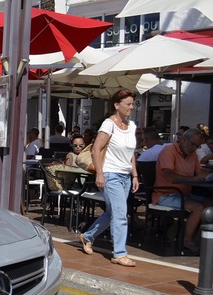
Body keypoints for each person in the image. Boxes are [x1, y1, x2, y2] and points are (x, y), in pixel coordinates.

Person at [79, 89, 139, 267]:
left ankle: (87, 236)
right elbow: (96, 149)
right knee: (121, 215)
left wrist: (134, 174)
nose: (131, 107)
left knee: (112, 213)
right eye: (128, 104)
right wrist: (100, 173)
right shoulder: (108, 124)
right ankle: (119, 254)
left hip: (125, 176)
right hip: (111, 174)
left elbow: (131, 153)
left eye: (132, 104)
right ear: (117, 105)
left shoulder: (132, 126)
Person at [153, 128, 213, 254]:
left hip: (184, 194)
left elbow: (199, 173)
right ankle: (187, 240)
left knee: (210, 205)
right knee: (198, 207)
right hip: (165, 194)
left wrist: (207, 176)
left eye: (197, 146)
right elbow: (169, 175)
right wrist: (193, 178)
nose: (194, 148)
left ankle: (200, 240)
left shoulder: (193, 155)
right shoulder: (169, 151)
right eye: (192, 144)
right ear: (184, 139)